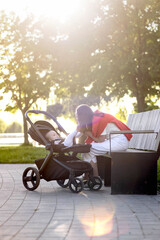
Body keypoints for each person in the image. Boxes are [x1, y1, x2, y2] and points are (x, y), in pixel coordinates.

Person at [75, 104, 132, 178]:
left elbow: (100, 140)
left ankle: (93, 177)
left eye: (78, 116)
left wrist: (89, 134)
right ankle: (92, 177)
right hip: (113, 141)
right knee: (86, 151)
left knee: (88, 149)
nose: (77, 118)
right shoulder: (95, 118)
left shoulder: (100, 119)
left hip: (119, 142)